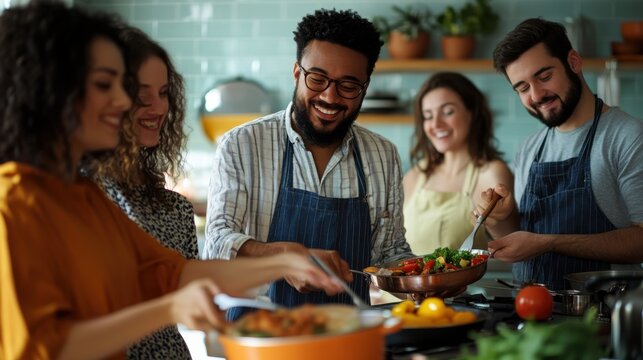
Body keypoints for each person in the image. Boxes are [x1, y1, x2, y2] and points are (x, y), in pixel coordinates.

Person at [0, 2, 342, 359]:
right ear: (50, 92)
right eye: (105, 84)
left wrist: (285, 263)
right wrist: (168, 310)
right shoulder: (14, 204)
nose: (121, 100)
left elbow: (173, 274)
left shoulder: (81, 196)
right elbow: (44, 348)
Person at [203, 8, 413, 318]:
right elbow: (218, 244)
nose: (330, 97)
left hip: (349, 337)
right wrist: (282, 256)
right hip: (258, 338)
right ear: (297, 73)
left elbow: (389, 254)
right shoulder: (243, 144)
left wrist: (429, 280)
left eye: (348, 85)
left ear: (364, 88)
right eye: (318, 78)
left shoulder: (382, 155)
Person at [477, 18, 643, 290]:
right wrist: (500, 219)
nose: (537, 94)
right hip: (532, 318)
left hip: (604, 317)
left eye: (544, 77)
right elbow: (517, 244)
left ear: (574, 62)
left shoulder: (627, 136)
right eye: (522, 88)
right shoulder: (530, 148)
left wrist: (550, 242)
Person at [83, 26, 195, 359]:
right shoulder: (75, 196)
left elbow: (187, 291)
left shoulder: (176, 209)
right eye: (143, 96)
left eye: (163, 93)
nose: (159, 108)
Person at [403, 72, 513, 255]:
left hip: (468, 285)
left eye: (447, 112)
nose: (436, 124)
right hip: (410, 283)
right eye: (428, 116)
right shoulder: (416, 175)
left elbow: (511, 243)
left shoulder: (491, 173)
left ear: (472, 113)